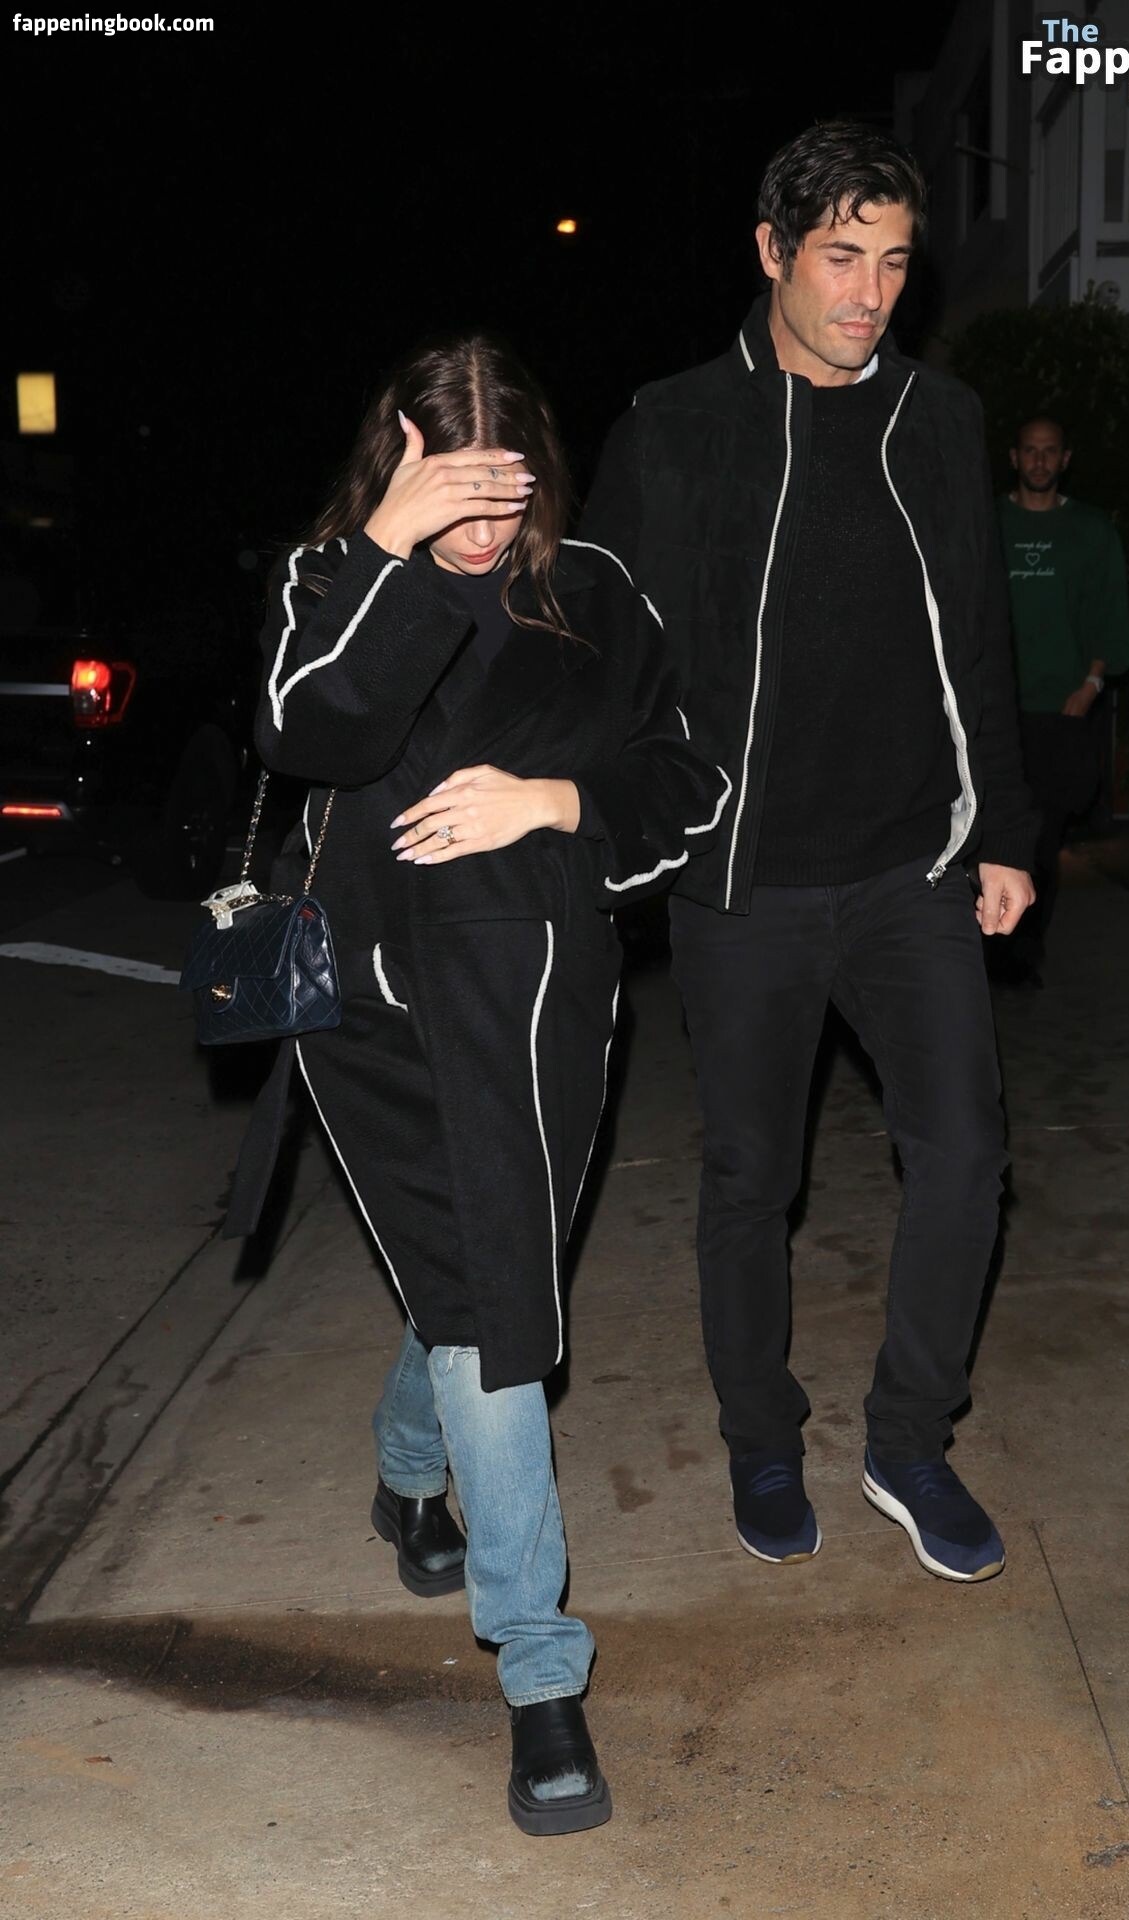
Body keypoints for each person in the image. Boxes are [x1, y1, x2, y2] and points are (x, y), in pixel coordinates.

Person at [234, 333, 724, 1836]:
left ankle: (405, 1471)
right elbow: (310, 730)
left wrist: (553, 800)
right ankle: (539, 1666)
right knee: (488, 1299)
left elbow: (687, 780)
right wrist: (390, 547)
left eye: (502, 491)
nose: (479, 523)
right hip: (376, 1014)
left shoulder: (598, 595)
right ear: (396, 470)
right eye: (449, 488)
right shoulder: (334, 578)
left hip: (539, 1007)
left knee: (483, 1281)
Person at [579, 120, 1038, 1585]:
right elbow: (599, 658)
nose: (870, 293)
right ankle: (759, 1436)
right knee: (749, 1180)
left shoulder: (938, 421)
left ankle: (908, 1439)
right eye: (842, 257)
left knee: (964, 1158)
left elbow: (978, 636)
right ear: (773, 251)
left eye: (894, 262)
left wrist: (1003, 831)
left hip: (911, 868)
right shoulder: (673, 427)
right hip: (744, 885)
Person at [994, 415, 1129, 984]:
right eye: (1030, 450)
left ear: (1065, 459)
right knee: (986, 836)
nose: (1039, 460)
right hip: (994, 714)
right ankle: (987, 947)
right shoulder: (988, 522)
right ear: (1014, 457)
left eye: (1050, 451)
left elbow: (1110, 613)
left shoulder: (1091, 530)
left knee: (1042, 840)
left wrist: (1091, 684)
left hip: (1060, 712)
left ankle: (1023, 953)